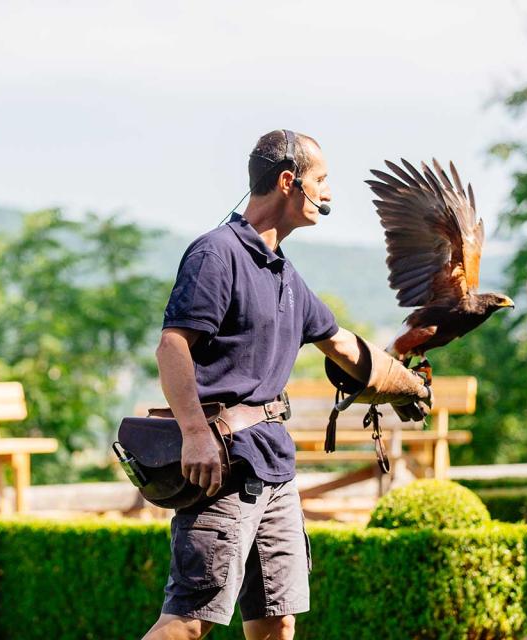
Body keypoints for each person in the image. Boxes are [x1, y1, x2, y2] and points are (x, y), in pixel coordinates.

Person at [144, 130, 430, 640]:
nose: (328, 193)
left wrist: (407, 383)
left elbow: (343, 346)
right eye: (321, 180)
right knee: (189, 624)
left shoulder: (284, 274)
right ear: (287, 181)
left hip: (274, 468)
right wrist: (193, 433)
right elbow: (173, 347)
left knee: (277, 620)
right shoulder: (216, 254)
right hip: (223, 466)